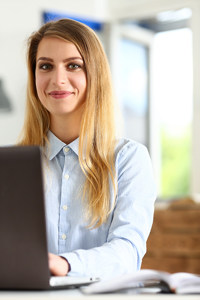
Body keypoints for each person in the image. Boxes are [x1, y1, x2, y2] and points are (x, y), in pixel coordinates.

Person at [18, 18, 157, 279]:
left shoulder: (129, 159)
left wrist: (65, 264)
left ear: (94, 74)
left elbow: (127, 251)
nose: (58, 79)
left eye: (73, 66)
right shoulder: (14, 166)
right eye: (45, 66)